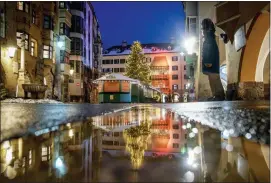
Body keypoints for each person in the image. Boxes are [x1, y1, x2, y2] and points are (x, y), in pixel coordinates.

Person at [201, 18, 225, 101]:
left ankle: (219, 95)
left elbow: (210, 49)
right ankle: (216, 94)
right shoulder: (209, 36)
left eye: (203, 28)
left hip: (211, 61)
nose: (202, 30)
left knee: (214, 77)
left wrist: (208, 61)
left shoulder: (209, 37)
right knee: (212, 78)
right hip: (210, 61)